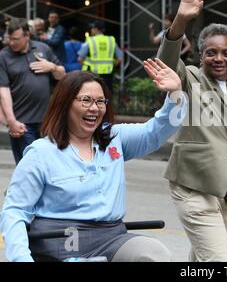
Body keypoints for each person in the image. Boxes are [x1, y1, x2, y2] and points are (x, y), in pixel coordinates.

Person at [0, 64, 187, 262]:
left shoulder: (115, 137)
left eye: (100, 101)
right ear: (65, 103)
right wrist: (21, 259)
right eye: (86, 100)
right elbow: (15, 211)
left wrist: (175, 94)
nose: (94, 108)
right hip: (57, 242)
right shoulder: (41, 153)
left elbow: (156, 132)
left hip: (110, 238)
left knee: (153, 254)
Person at [151, 0, 227, 262]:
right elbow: (168, 62)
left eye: (226, 53)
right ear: (200, 55)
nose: (218, 58)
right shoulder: (191, 78)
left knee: (201, 261)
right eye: (211, 52)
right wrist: (181, 20)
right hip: (193, 188)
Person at [0, 17, 66, 164]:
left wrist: (52, 67)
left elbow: (62, 75)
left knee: (48, 165)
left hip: (47, 122)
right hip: (22, 124)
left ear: (27, 36)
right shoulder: (4, 56)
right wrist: (11, 121)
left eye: (16, 39)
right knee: (28, 166)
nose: (11, 43)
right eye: (9, 38)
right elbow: (3, 91)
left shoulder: (43, 49)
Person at [78, 20, 122, 94]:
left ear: (96, 29)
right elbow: (120, 59)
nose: (91, 30)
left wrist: (86, 67)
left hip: (93, 74)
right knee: (107, 95)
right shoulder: (111, 40)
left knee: (94, 95)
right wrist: (111, 66)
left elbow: (80, 58)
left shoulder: (90, 40)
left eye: (92, 28)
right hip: (108, 74)